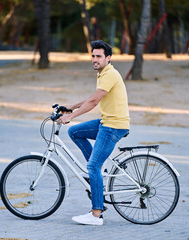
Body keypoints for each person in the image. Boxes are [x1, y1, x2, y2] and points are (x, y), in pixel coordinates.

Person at [59, 40, 130, 226]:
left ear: (108, 58)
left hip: (113, 125)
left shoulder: (110, 74)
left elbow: (93, 102)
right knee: (75, 132)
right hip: (106, 122)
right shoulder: (103, 74)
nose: (95, 59)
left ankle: (96, 214)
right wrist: (69, 107)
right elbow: (92, 98)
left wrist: (71, 116)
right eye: (93, 56)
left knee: (92, 167)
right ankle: (98, 171)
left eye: (99, 56)